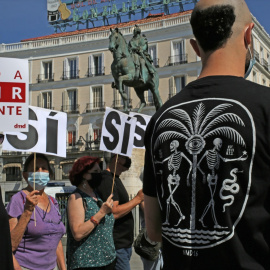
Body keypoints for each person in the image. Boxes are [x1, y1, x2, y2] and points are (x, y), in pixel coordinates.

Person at [143, 0, 270, 269]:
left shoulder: (160, 119)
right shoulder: (266, 105)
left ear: (194, 46)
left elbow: (153, 230)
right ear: (249, 35)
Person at [6, 153, 66, 270]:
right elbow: (10, 245)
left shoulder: (53, 202)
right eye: (34, 169)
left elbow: (56, 241)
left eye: (44, 168)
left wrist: (63, 268)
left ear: (50, 174)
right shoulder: (18, 200)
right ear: (25, 175)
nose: (40, 172)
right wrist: (27, 211)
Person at [66, 156, 116, 270]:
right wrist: (101, 213)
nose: (100, 174)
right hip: (87, 263)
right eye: (95, 172)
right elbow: (78, 233)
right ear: (84, 174)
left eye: (99, 171)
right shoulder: (76, 197)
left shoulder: (96, 196)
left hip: (108, 260)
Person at [96, 154, 144, 270]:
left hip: (124, 244)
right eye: (124, 156)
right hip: (117, 243)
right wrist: (137, 199)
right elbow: (113, 212)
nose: (128, 158)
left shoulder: (115, 178)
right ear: (115, 159)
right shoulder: (107, 179)